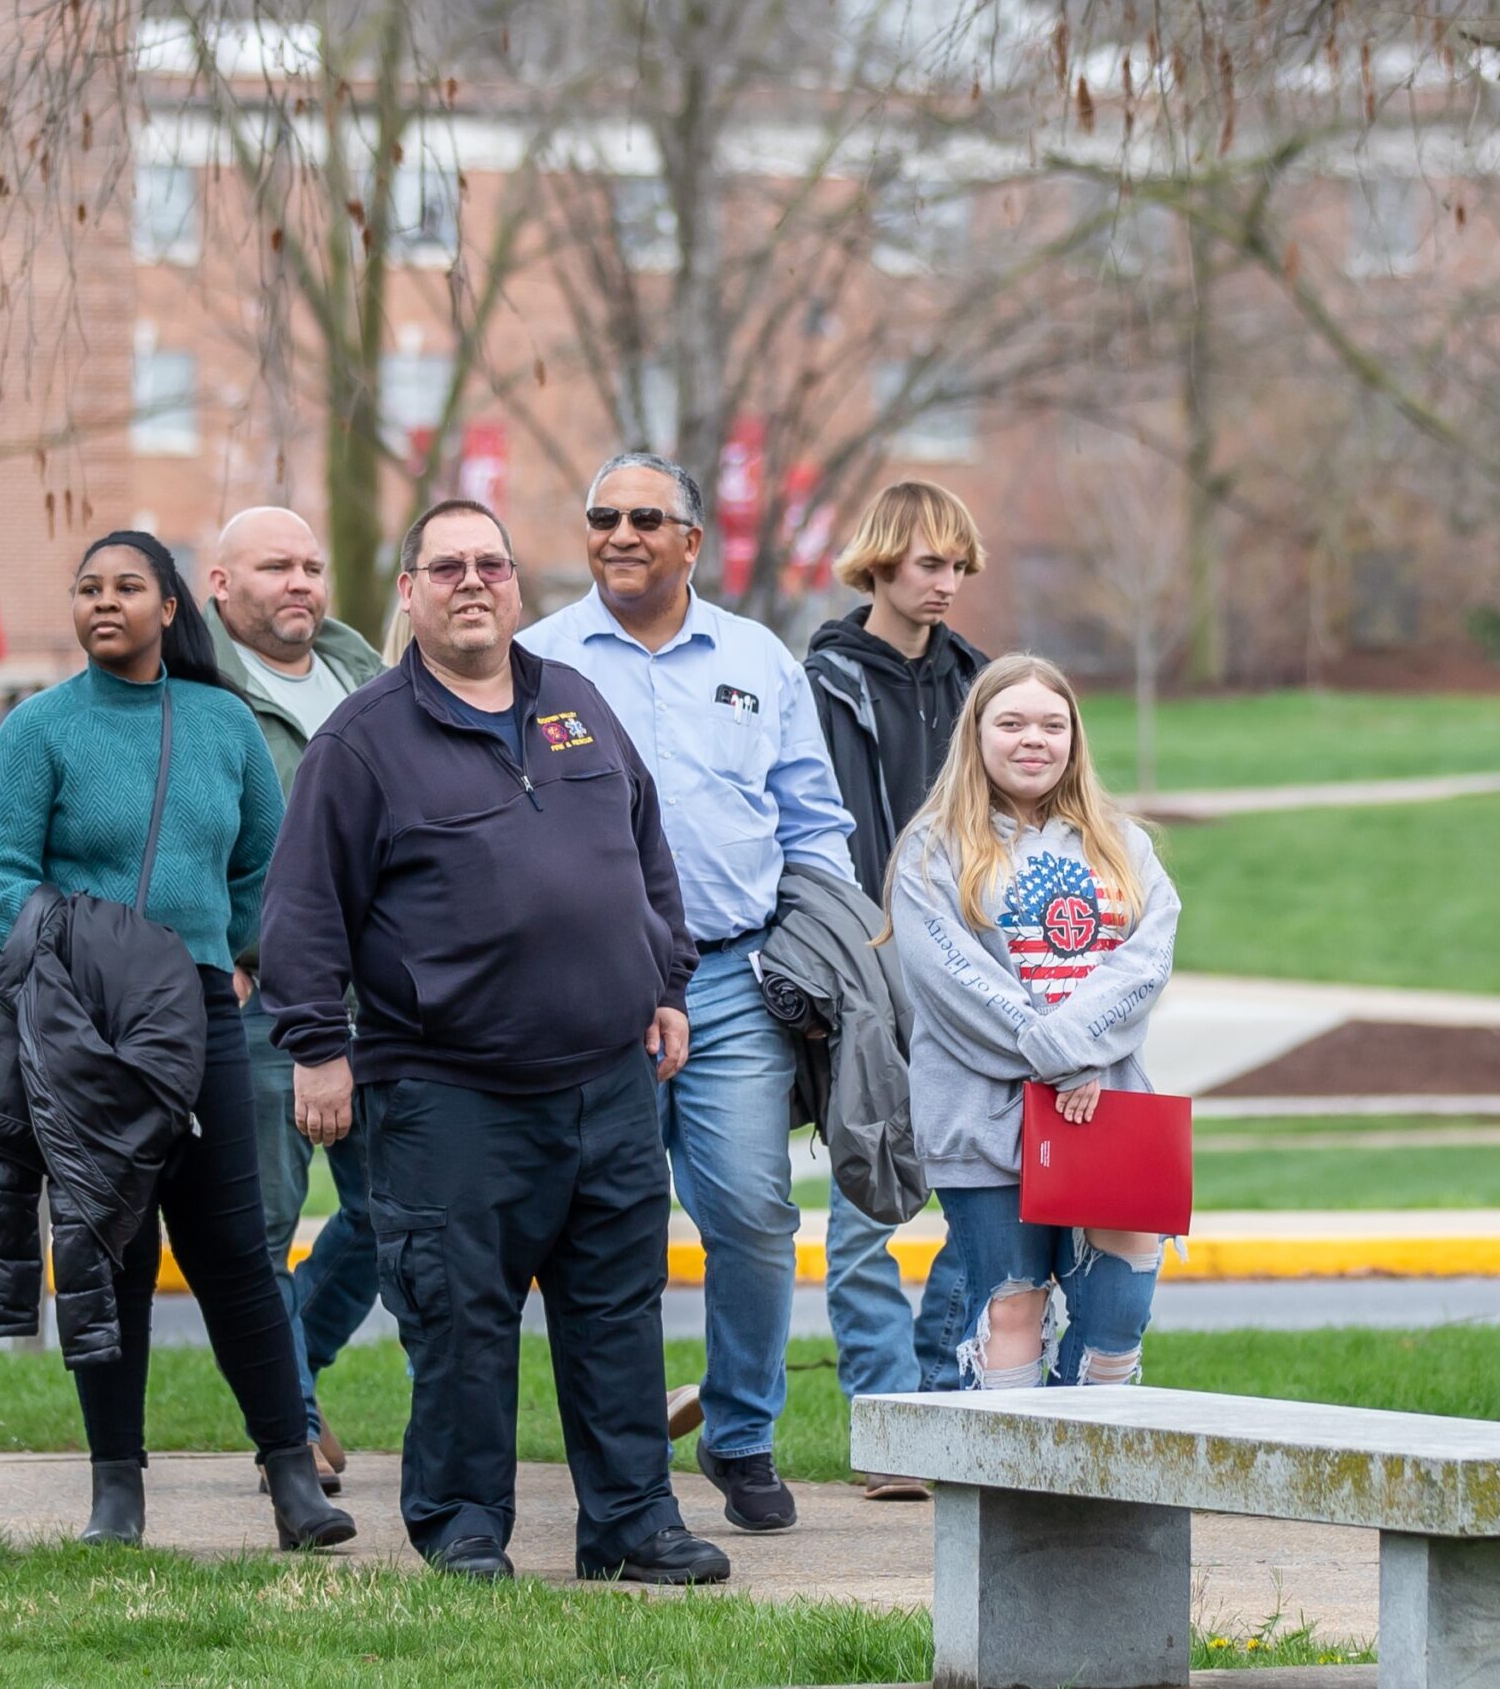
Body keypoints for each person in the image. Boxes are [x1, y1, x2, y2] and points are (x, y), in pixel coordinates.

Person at [257, 499, 727, 1586]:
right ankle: (464, 1523)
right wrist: (316, 1046)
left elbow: (642, 846)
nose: (472, 582)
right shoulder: (361, 742)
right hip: (448, 1091)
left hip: (609, 1080)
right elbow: (304, 910)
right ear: (411, 593)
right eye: (446, 566)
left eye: (491, 564)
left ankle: (632, 1525)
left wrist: (664, 981)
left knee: (616, 1311)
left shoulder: (577, 701)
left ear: (515, 584)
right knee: (460, 1320)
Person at [0, 530, 355, 1552]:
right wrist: (84, 955)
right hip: (82, 1022)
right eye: (88, 588)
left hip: (202, 1016)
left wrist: (233, 954)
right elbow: (3, 876)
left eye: (127, 587)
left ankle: (291, 1478)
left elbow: (268, 866)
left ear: (170, 606)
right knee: (110, 1250)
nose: (104, 603)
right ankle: (117, 1492)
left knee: (233, 1250)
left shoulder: (223, 722)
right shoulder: (37, 729)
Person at [518, 454, 863, 1530]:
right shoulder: (538, 660)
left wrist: (839, 943)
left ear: (691, 540)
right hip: (587, 995)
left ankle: (743, 1433)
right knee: (598, 1233)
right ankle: (621, 1456)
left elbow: (812, 818)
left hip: (728, 982)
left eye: (644, 517)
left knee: (755, 1214)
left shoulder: (758, 657)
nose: (620, 533)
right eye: (602, 515)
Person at [886, 654, 1180, 1390]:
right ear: (976, 735)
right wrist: (1058, 1057)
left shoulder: (1123, 843)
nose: (1033, 740)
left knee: (1118, 1317)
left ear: (1075, 739)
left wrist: (1081, 1056)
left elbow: (1147, 959)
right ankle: (1014, 1500)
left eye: (1053, 725)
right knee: (1009, 1310)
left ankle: (1090, 1490)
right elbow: (952, 981)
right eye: (1010, 722)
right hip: (983, 1113)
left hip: (1105, 1109)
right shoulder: (933, 849)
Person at [201, 506, 389, 1493]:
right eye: (276, 566)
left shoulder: (365, 673)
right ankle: (292, 1423)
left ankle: (293, 1369)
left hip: (385, 999)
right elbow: (182, 826)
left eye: (313, 565)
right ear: (222, 581)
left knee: (395, 1213)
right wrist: (219, 945)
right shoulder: (193, 688)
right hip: (261, 1000)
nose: (302, 583)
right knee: (261, 1225)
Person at [806, 481, 993, 1405]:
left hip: (977, 968)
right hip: (867, 965)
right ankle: (884, 1408)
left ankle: (938, 1380)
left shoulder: (978, 681)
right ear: (880, 562)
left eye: (959, 565)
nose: (949, 582)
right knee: (865, 1203)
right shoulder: (825, 680)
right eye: (931, 563)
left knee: (987, 1195)